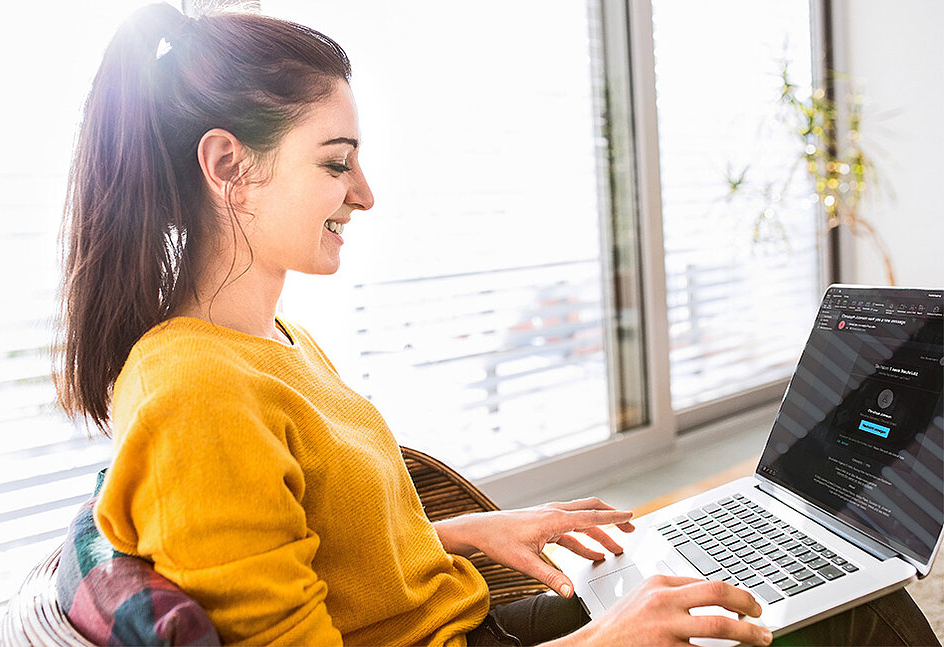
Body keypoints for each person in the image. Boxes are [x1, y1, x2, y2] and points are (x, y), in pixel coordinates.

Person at [54, 4, 939, 646]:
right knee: (850, 616)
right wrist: (605, 641)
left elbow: (316, 547)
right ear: (227, 166)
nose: (364, 195)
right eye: (335, 163)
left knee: (791, 590)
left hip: (470, 621)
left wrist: (465, 531)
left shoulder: (264, 344)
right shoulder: (195, 394)